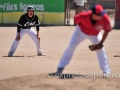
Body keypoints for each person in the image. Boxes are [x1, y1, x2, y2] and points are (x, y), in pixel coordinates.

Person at [52, 4, 112, 77]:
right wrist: (81, 25)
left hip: (95, 34)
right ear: (93, 14)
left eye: (102, 13)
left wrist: (101, 43)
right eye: (100, 14)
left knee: (101, 50)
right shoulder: (83, 16)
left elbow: (107, 30)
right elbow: (75, 19)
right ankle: (60, 68)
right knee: (71, 47)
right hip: (80, 32)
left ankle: (106, 71)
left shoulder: (104, 18)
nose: (102, 16)